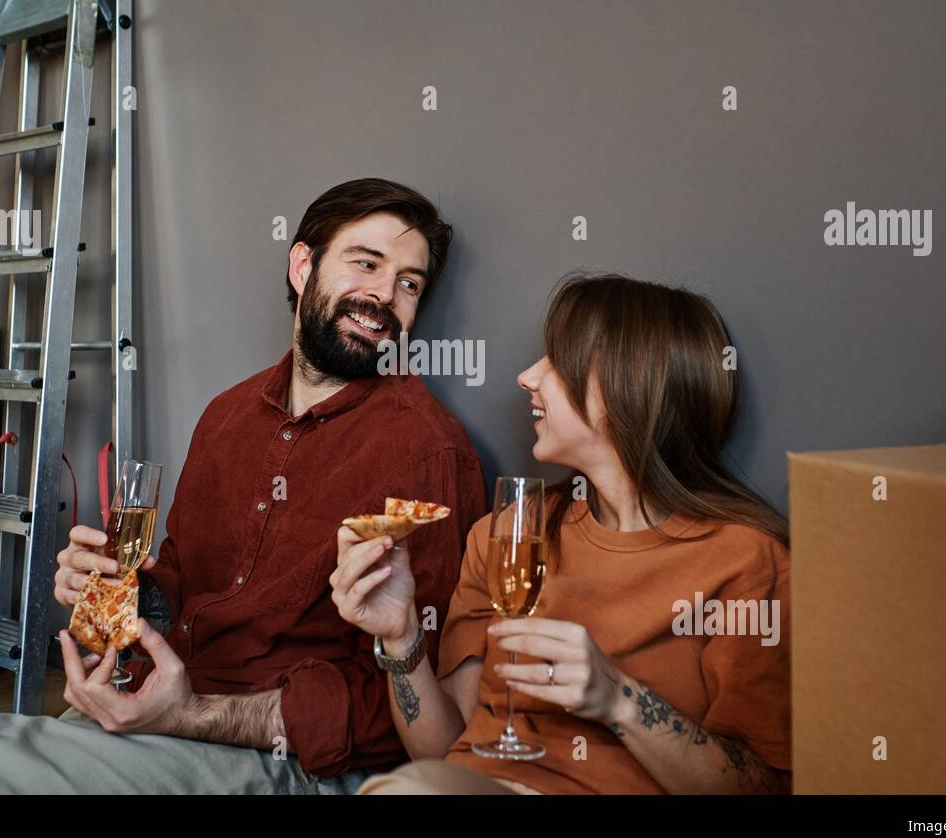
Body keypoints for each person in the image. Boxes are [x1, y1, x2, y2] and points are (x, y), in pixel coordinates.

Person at [0, 177, 487, 795]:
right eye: (366, 264)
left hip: (287, 761)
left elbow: (402, 711)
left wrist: (190, 716)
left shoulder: (426, 454)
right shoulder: (228, 416)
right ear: (303, 266)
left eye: (410, 283)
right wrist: (115, 593)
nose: (384, 296)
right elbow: (182, 586)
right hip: (163, 711)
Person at [332, 272, 792, 794]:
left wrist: (617, 697)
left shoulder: (745, 561)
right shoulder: (508, 535)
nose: (528, 377)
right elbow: (443, 751)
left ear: (629, 387)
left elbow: (761, 786)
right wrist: (400, 634)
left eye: (558, 361)